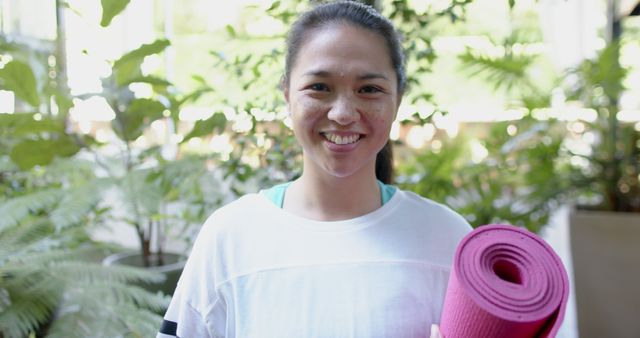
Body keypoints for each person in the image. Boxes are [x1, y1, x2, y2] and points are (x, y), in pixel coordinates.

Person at [158, 1, 470, 337]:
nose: (343, 113)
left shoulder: (447, 240)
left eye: (369, 89)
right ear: (287, 94)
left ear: (398, 98)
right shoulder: (231, 237)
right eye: (319, 87)